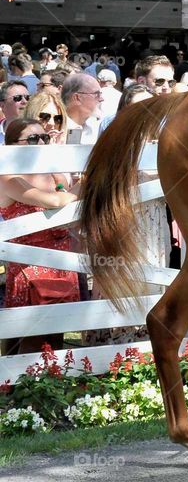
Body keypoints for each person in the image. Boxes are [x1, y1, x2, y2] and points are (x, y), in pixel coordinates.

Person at [0, 118, 81, 354]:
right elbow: (56, 201)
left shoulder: (54, 174)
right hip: (28, 266)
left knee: (57, 337)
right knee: (29, 340)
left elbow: (66, 194)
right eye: (33, 139)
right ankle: (19, 388)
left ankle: (54, 386)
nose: (41, 142)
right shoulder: (8, 178)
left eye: (44, 137)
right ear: (13, 145)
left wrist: (71, 187)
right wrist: (80, 187)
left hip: (61, 263)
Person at [61, 73, 102, 144]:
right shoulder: (56, 127)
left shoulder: (98, 128)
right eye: (96, 94)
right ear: (77, 97)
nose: (101, 99)